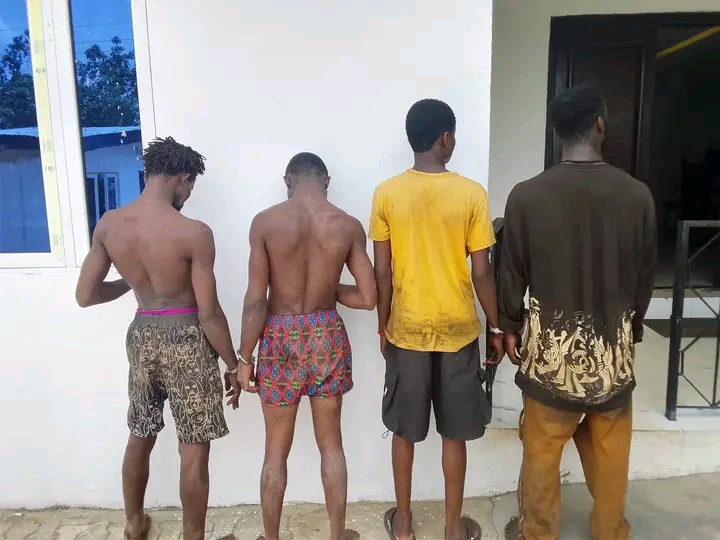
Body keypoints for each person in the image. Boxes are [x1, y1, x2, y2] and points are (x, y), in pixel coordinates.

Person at [498, 83, 657, 540]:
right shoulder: (638, 196)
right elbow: (644, 278)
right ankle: (610, 530)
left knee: (542, 454)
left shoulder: (526, 196)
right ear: (600, 126)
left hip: (552, 356)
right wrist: (631, 331)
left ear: (557, 132)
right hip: (612, 352)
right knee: (611, 455)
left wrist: (509, 325)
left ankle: (538, 532)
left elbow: (512, 274)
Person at [75, 137, 240, 540]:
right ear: (181, 178)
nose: (188, 195)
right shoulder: (194, 232)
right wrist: (233, 363)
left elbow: (85, 295)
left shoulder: (110, 224)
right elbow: (209, 312)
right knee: (194, 445)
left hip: (142, 332)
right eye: (190, 186)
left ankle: (134, 525)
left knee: (141, 431)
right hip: (187, 336)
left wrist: (130, 282)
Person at [369, 98, 503, 540]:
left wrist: (384, 324)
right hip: (458, 330)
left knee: (404, 431)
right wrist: (496, 326)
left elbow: (382, 271)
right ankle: (451, 529)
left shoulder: (387, 193)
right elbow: (481, 272)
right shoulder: (471, 194)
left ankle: (404, 524)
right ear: (445, 138)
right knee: (454, 434)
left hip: (406, 328)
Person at [236, 152, 377, 540]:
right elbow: (368, 298)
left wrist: (244, 358)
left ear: (288, 180)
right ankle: (337, 535)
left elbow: (255, 301)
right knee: (331, 445)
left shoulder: (265, 223)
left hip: (279, 337)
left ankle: (271, 537)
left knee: (274, 452)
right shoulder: (347, 225)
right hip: (326, 335)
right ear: (327, 181)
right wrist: (327, 288)